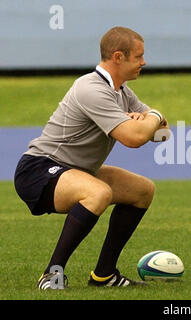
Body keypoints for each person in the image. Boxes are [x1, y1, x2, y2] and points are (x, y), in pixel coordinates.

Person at [14, 26, 170, 289]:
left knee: (143, 190)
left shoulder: (122, 91)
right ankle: (52, 275)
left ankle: (104, 274)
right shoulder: (91, 88)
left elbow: (163, 135)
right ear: (118, 57)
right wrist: (153, 115)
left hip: (77, 169)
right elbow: (134, 138)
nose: (144, 62)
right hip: (39, 169)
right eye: (139, 57)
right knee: (98, 193)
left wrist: (148, 122)